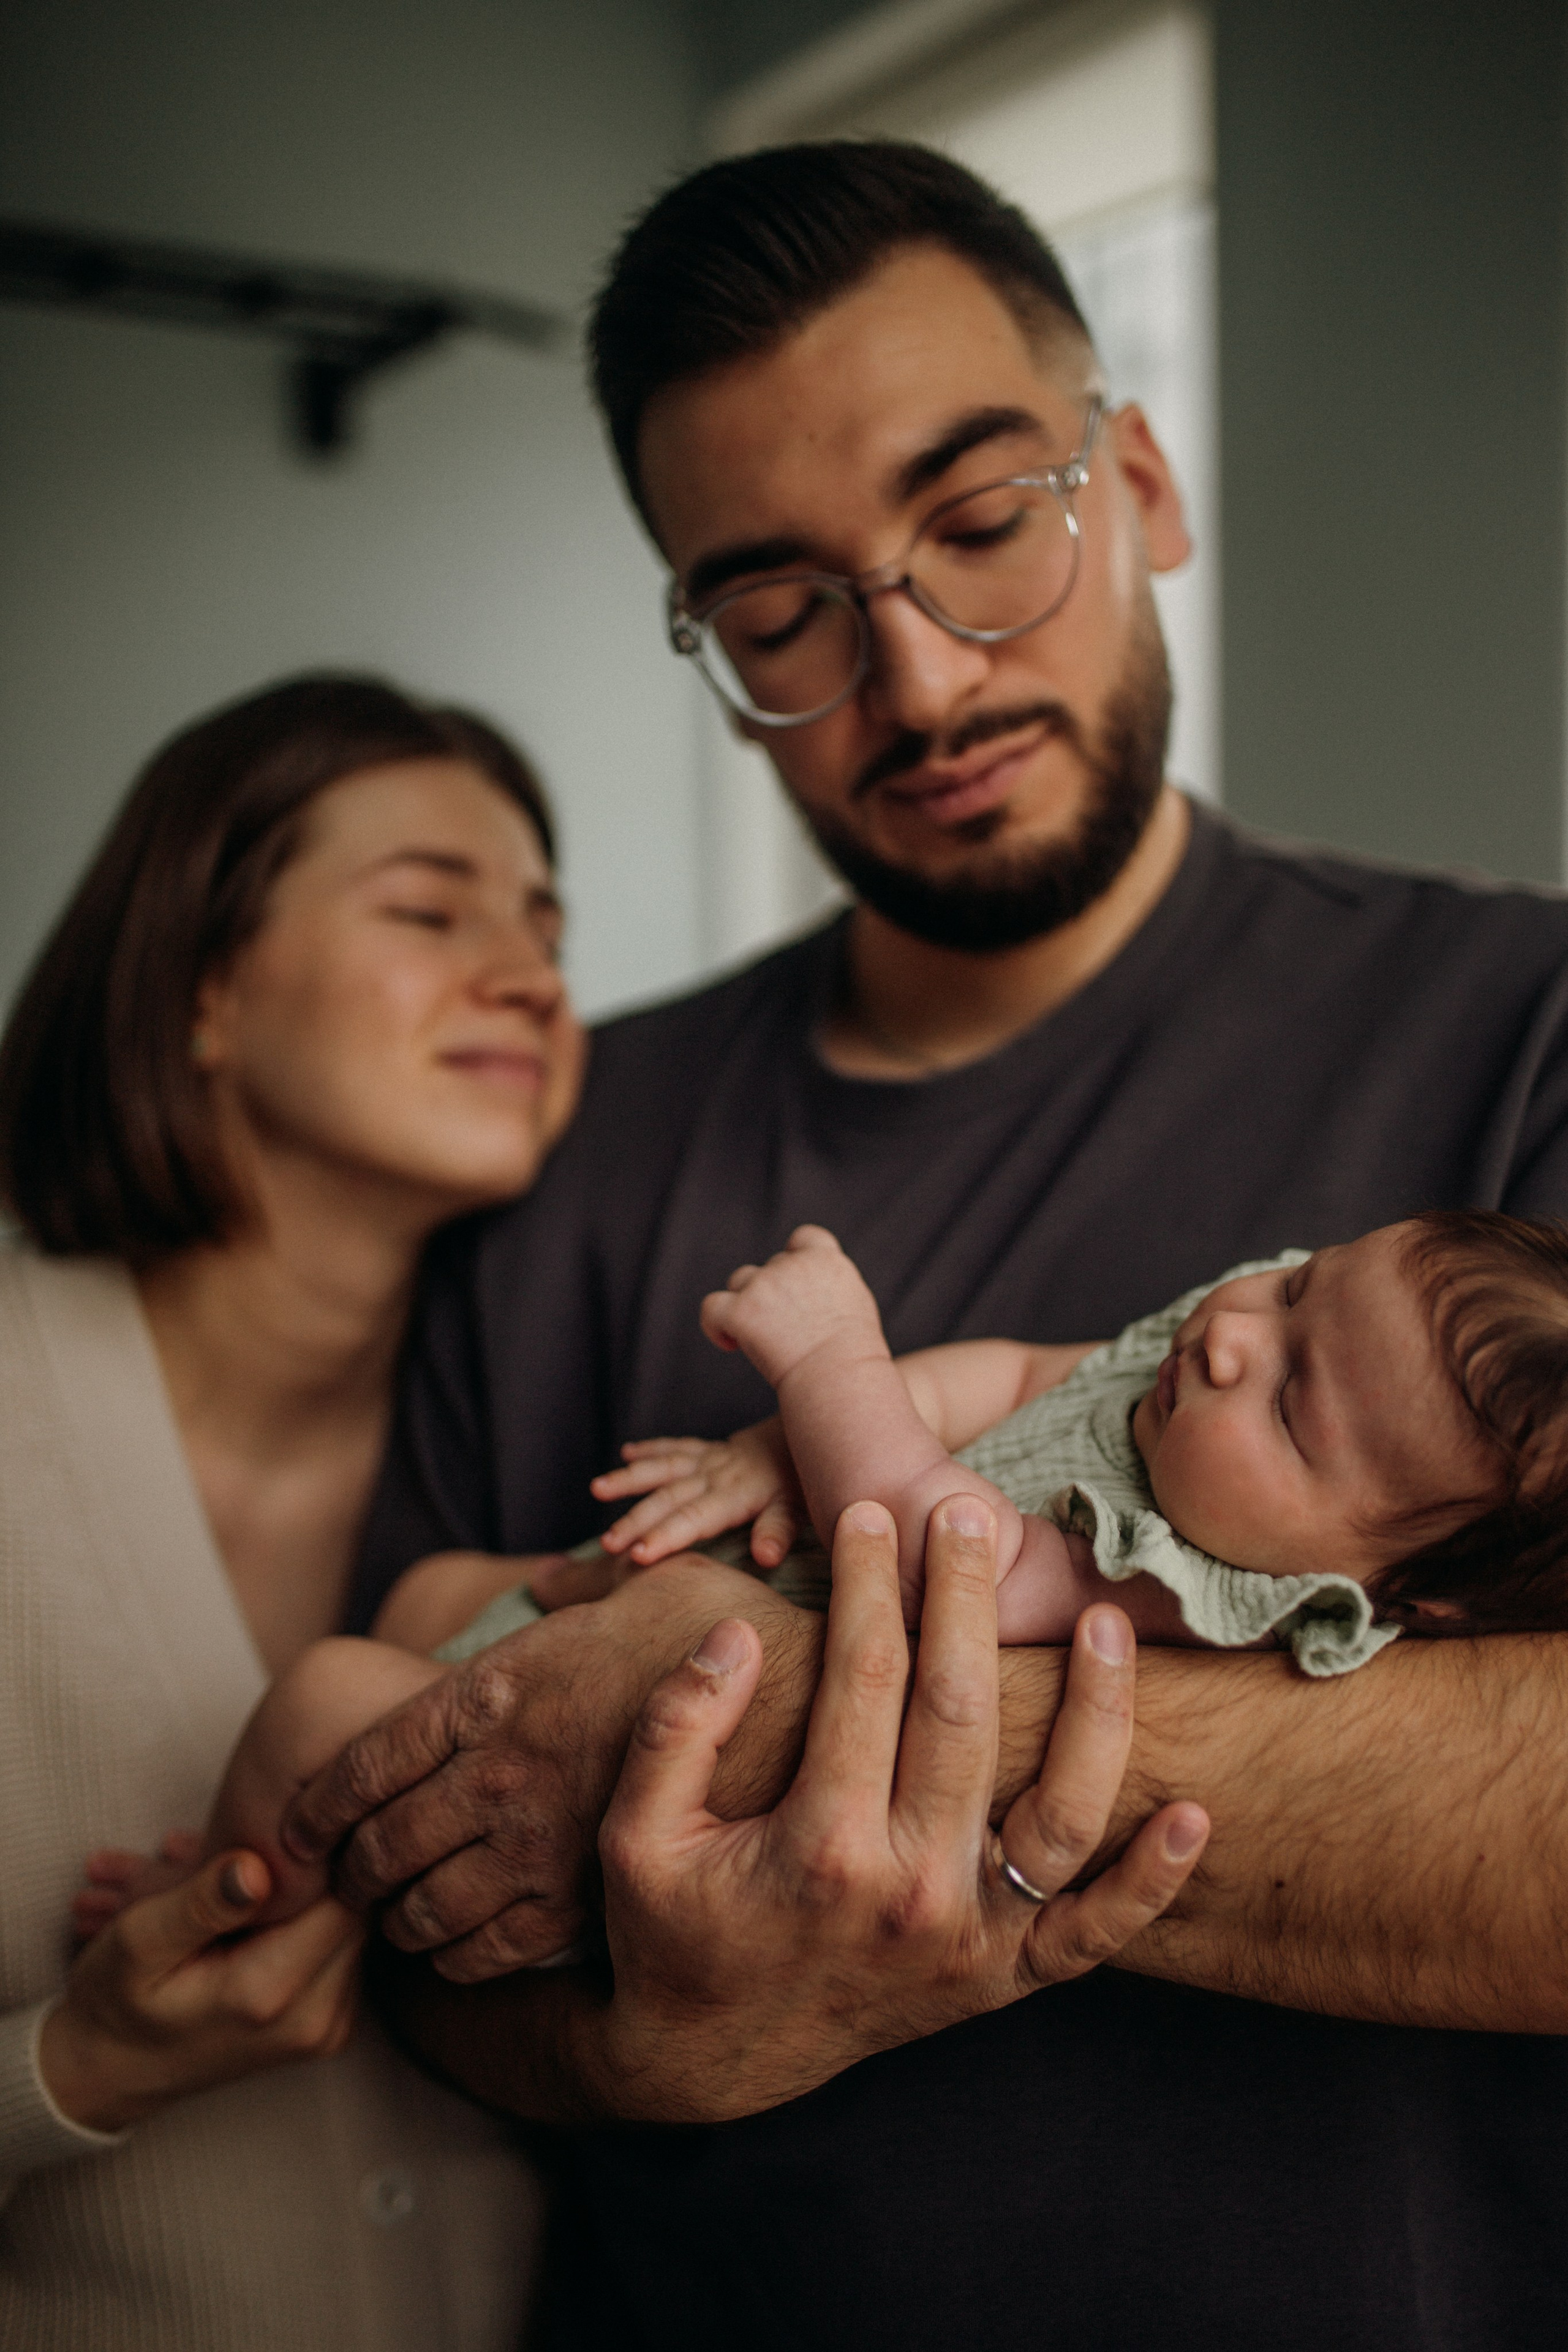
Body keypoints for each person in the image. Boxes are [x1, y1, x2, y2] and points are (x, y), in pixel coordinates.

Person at [288, 143, 1568, 2350]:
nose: (916, 671)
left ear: (1145, 480)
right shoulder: (571, 1153)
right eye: (783, 613)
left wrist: (812, 1714)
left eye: (986, 527)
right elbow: (412, 1891)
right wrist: (643, 2047)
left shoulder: (1523, 1038)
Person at [0, 674, 582, 2349]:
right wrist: (84, 2059)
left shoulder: (566, 1454)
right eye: (427, 906)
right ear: (199, 992)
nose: (530, 975)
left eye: (549, 925)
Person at [607, 1213, 1568, 1662]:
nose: (1233, 1338)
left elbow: (941, 1567)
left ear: (1392, 1593)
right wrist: (781, 1448)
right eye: (1295, 1286)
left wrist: (828, 1364)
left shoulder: (1192, 1585)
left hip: (674, 1690)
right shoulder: (1187, 1386)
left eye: (1287, 1405)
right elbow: (1015, 1377)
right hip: (658, 1590)